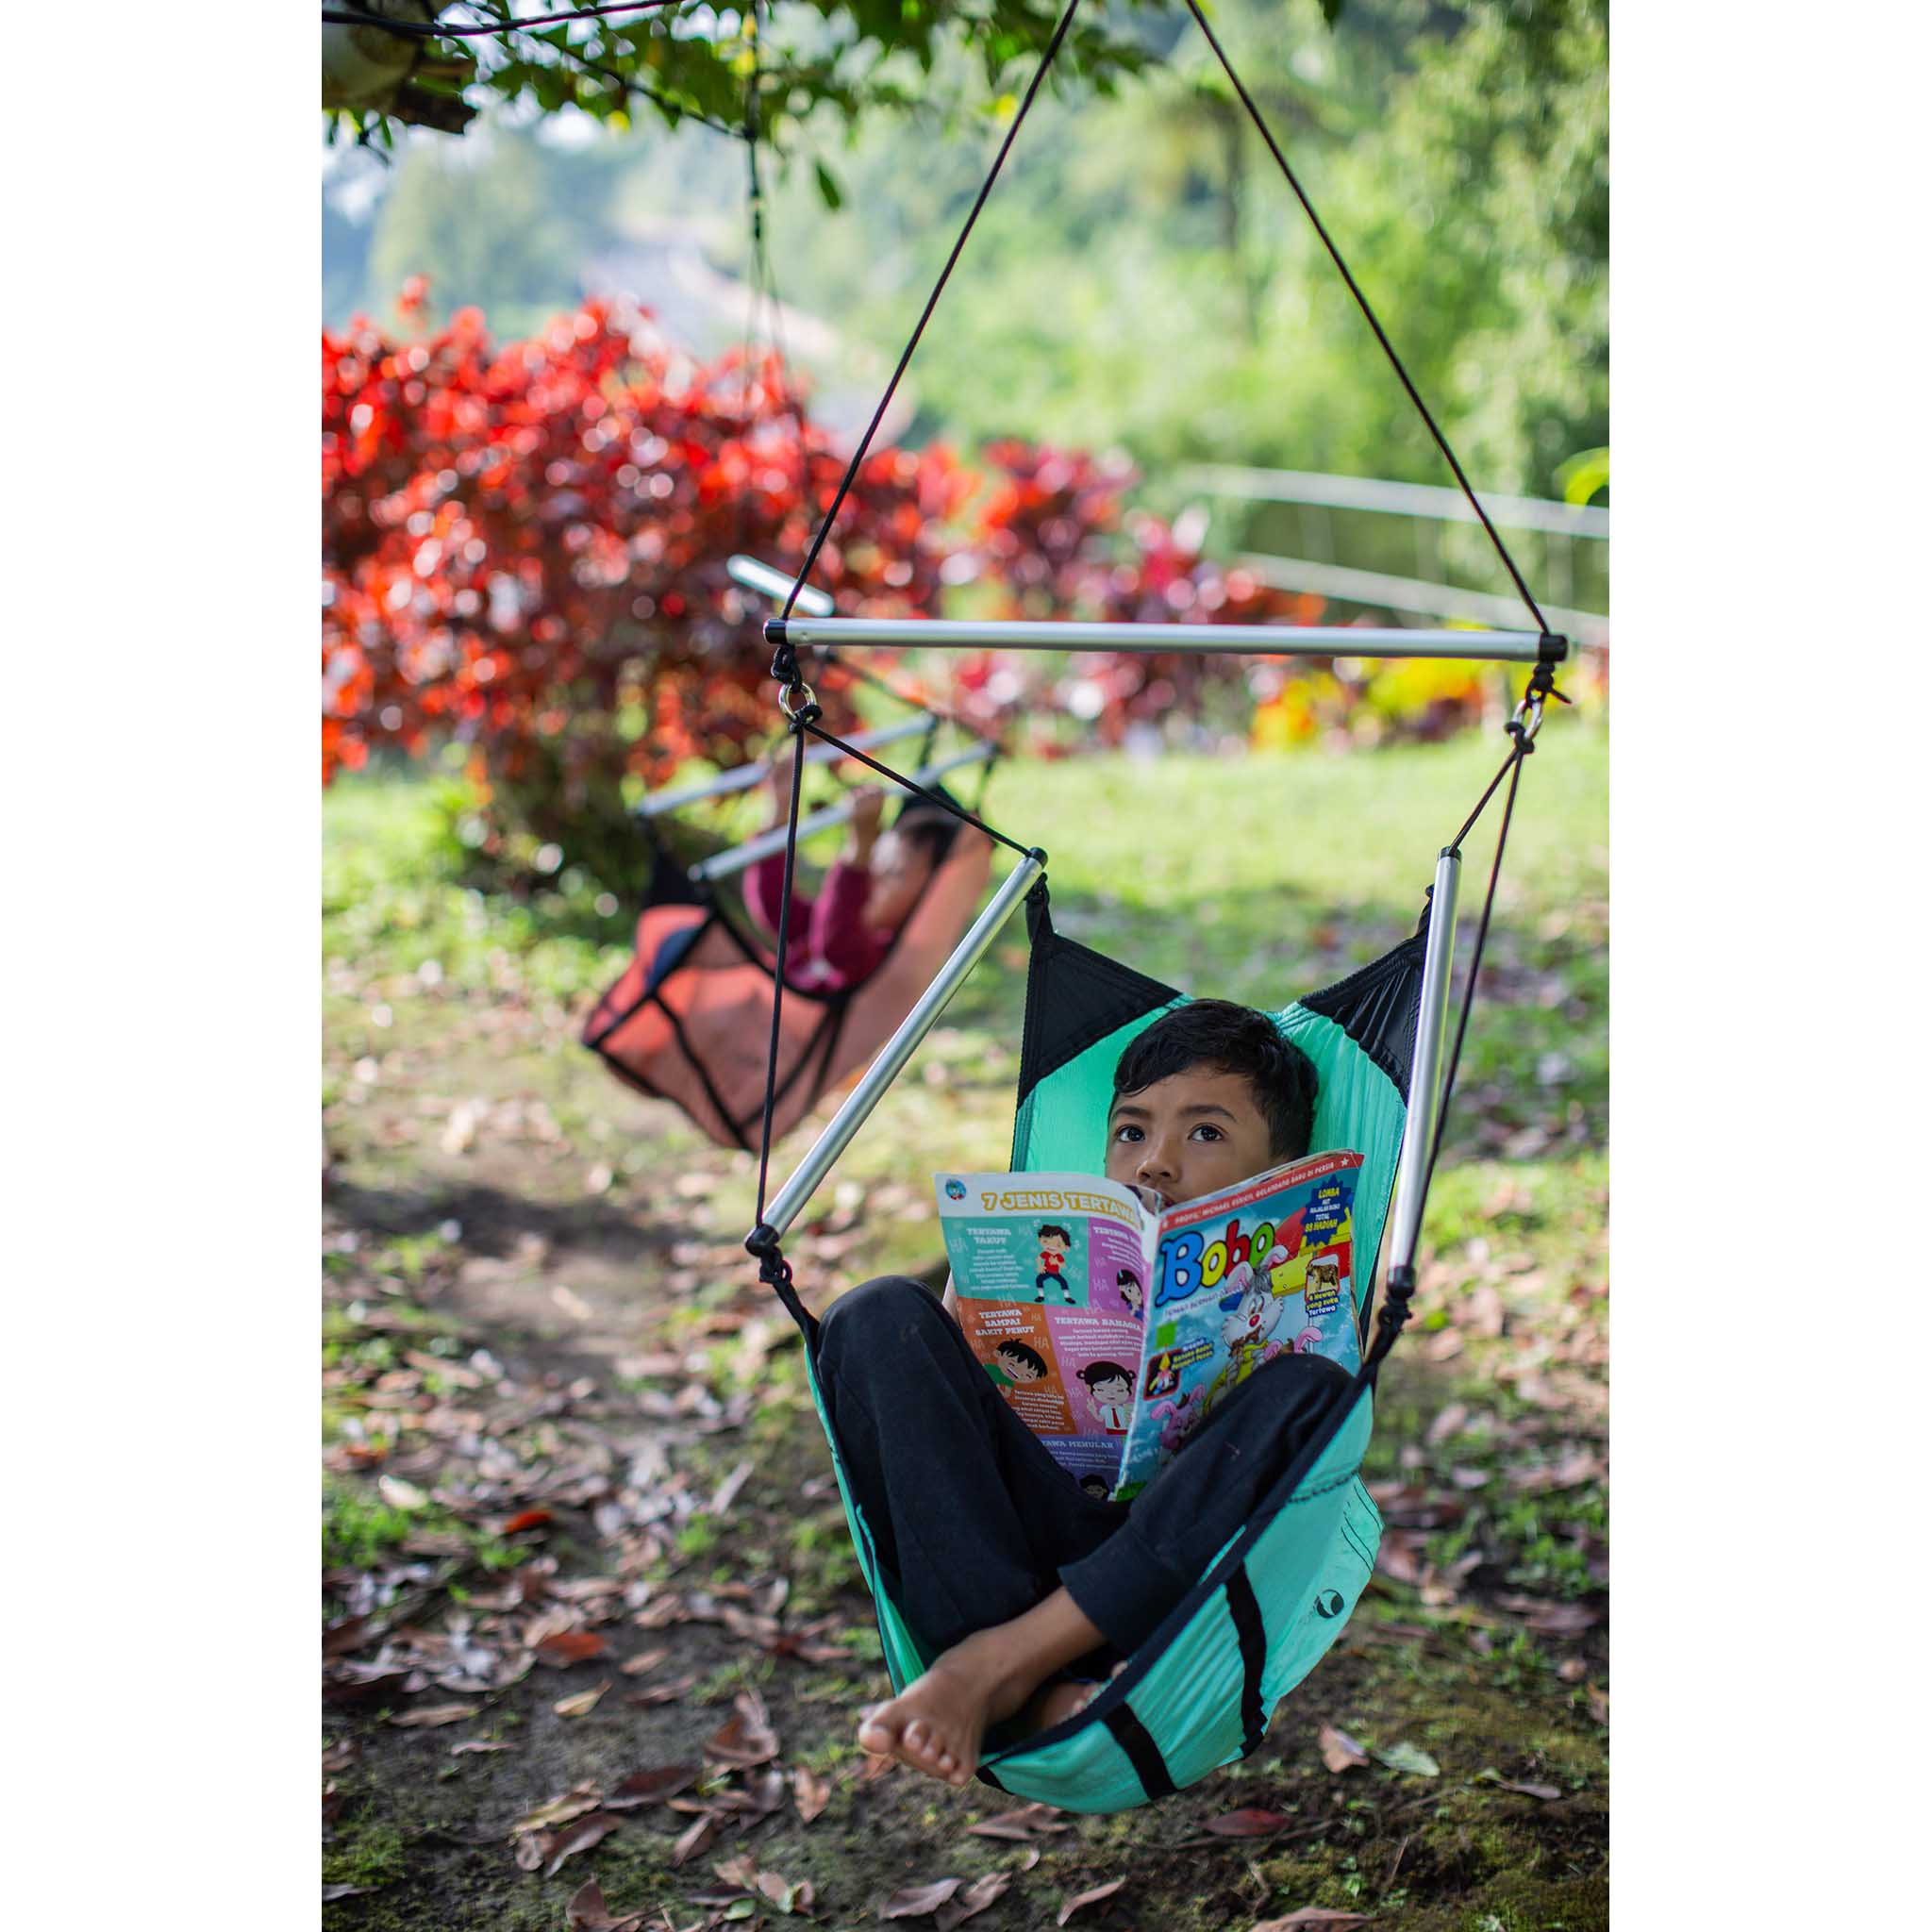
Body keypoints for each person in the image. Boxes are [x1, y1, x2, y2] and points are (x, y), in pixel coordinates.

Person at [815, 999, 1350, 1788]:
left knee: (1317, 1394)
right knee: (874, 1315)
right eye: (1131, 1132)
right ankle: (1011, 1676)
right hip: (1006, 1555)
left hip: (1175, 1583)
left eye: (1206, 1133)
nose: (1154, 1163)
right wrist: (963, 1334)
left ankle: (1006, 1669)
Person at [741, 744, 956, 991]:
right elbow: (777, 909)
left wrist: (859, 852)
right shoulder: (832, 924)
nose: (875, 876)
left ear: (927, 901)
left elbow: (836, 944)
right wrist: (779, 811)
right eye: (876, 860)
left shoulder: (874, 959)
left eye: (895, 874)